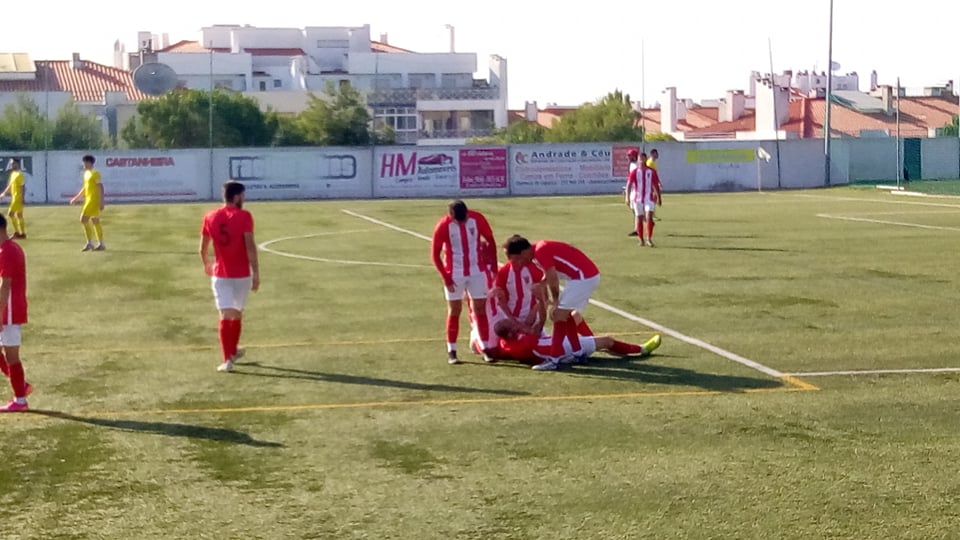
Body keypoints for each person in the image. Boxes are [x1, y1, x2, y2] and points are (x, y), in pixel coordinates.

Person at [506, 236, 600, 371]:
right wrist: (541, 284)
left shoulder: (540, 251)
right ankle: (578, 353)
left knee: (558, 316)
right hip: (581, 276)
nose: (520, 262)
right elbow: (549, 273)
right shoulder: (538, 251)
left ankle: (554, 359)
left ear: (524, 252)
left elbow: (553, 277)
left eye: (518, 258)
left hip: (583, 278)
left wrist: (555, 300)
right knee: (565, 315)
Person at [199, 181, 260, 373]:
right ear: (237, 196)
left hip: (221, 273)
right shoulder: (244, 216)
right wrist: (256, 272)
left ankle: (231, 353)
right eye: (243, 195)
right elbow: (250, 246)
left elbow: (203, 247)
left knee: (227, 313)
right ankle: (228, 357)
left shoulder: (210, 216)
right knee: (235, 313)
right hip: (241, 274)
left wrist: (206, 263)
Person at [431, 200, 497, 365]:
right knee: (455, 310)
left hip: (477, 271)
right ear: (451, 216)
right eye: (458, 221)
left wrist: (494, 267)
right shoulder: (443, 226)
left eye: (464, 219)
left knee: (480, 309)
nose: (462, 223)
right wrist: (445, 277)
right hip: (454, 273)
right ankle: (452, 351)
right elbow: (435, 254)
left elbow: (490, 240)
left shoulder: (477, 219)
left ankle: (486, 348)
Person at [492, 317, 661, 367]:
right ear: (512, 333)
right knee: (608, 341)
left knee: (574, 316)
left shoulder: (506, 343)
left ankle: (592, 342)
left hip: (553, 343)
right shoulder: (524, 341)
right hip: (562, 349)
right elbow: (536, 327)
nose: (517, 324)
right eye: (513, 325)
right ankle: (642, 349)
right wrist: (541, 302)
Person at [0, 215, 32, 412]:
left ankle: (20, 400)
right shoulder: (8, 249)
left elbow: (5, 285)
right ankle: (22, 386)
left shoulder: (8, 251)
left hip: (9, 310)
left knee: (12, 355)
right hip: (8, 308)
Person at [68, 155, 105, 251]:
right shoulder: (86, 174)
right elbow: (85, 188)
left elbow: (100, 187)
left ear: (89, 163)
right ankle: (100, 244)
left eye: (84, 162)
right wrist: (76, 198)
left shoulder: (95, 173)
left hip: (93, 200)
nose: (83, 164)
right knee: (95, 220)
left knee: (83, 219)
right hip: (88, 199)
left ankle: (90, 243)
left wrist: (101, 201)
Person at [627, 157, 662, 247]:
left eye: (643, 159)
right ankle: (641, 240)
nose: (641, 161)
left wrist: (659, 197)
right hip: (637, 198)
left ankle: (649, 239)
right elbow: (629, 184)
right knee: (639, 218)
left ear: (645, 160)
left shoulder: (651, 171)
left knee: (649, 217)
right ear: (638, 160)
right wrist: (627, 197)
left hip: (648, 197)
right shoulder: (634, 172)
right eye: (640, 159)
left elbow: (655, 185)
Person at [0, 159, 27, 239]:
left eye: (13, 164)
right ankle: (22, 233)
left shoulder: (20, 175)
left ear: (17, 164)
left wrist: (22, 198)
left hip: (17, 198)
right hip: (14, 197)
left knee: (10, 214)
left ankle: (17, 232)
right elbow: (10, 186)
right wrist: (4, 193)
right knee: (19, 215)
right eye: (11, 164)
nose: (12, 165)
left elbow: (22, 187)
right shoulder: (12, 174)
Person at [624, 148, 640, 236]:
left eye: (630, 155)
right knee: (634, 209)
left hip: (637, 190)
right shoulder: (632, 165)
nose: (628, 157)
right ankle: (638, 227)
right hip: (633, 190)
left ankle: (638, 229)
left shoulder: (636, 166)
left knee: (636, 209)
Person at [645, 149, 663, 222]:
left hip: (653, 182)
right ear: (652, 154)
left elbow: (655, 174)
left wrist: (658, 181)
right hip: (650, 183)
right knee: (652, 198)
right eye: (656, 153)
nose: (657, 155)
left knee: (654, 198)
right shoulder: (649, 162)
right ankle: (650, 214)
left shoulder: (653, 162)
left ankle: (652, 214)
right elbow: (649, 174)